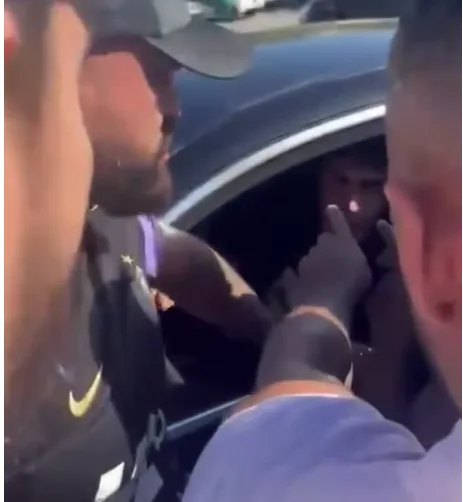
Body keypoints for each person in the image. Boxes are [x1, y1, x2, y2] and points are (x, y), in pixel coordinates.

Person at [183, 1, 462, 501]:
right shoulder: (271, 228)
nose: (352, 203)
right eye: (340, 181)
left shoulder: (396, 283)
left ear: (438, 257)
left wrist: (334, 309)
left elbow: (291, 422)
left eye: (371, 186)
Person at [5, 1, 273, 501]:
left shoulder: (111, 220)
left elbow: (180, 259)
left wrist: (266, 329)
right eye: (159, 75)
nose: (174, 110)